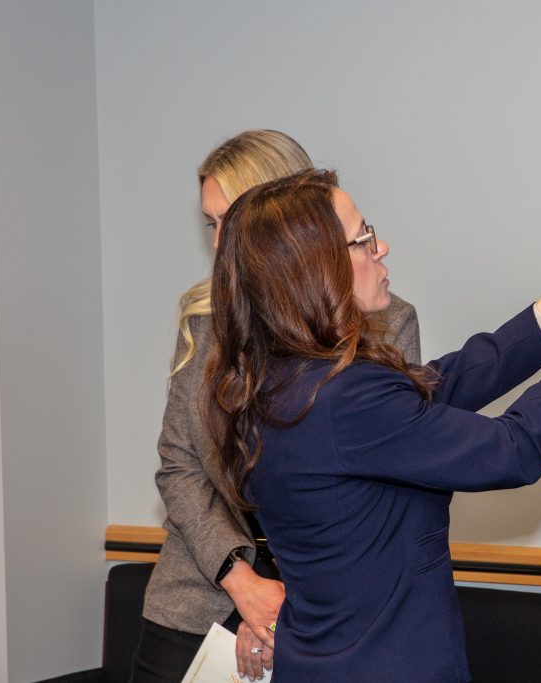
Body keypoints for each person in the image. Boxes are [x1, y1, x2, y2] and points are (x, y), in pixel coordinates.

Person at [203, 168, 541, 681]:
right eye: (363, 239)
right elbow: (516, 449)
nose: (382, 248)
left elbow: (433, 387)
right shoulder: (343, 398)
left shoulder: (281, 383)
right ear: (317, 270)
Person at [131, 130, 422, 683]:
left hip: (325, 614)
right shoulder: (205, 319)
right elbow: (178, 464)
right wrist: (242, 582)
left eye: (230, 222)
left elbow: (376, 491)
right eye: (212, 226)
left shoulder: (386, 321)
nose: (221, 245)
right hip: (196, 598)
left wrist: (287, 604)